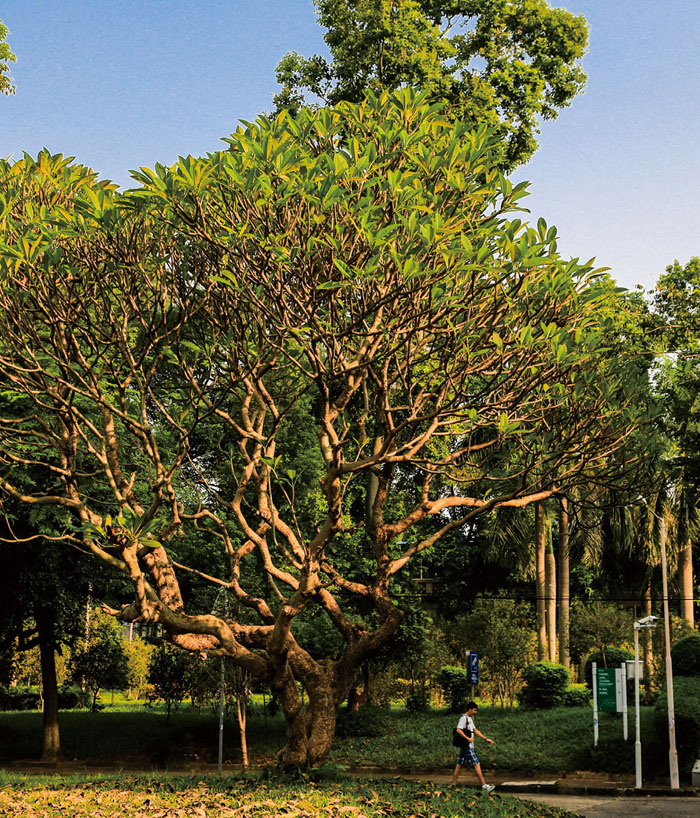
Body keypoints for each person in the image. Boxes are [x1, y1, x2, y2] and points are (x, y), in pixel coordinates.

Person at [451, 701, 495, 792]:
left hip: (467, 746)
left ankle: (453, 784)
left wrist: (485, 739)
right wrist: (468, 738)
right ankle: (484, 786)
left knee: (459, 764)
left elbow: (475, 730)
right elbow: (458, 730)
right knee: (476, 764)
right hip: (467, 746)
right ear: (469, 709)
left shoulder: (470, 719)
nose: (476, 712)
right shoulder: (463, 718)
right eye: (474, 710)